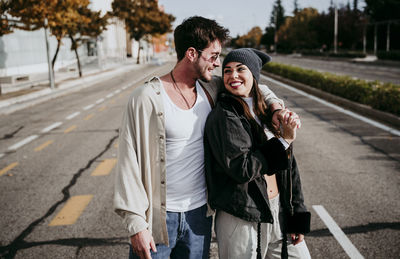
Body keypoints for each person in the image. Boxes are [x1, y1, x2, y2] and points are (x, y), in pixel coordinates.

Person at [113, 16, 293, 259]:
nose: (218, 64)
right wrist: (136, 225)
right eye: (214, 56)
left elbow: (253, 84)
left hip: (199, 216)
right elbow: (128, 163)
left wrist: (276, 108)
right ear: (191, 53)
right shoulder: (146, 97)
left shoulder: (210, 89)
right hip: (157, 219)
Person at [204, 48, 311, 259]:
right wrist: (283, 141)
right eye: (227, 70)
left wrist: (296, 215)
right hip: (241, 216)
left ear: (253, 75)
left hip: (277, 210)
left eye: (240, 69)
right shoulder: (224, 115)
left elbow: (290, 168)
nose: (233, 75)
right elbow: (241, 168)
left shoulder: (267, 111)